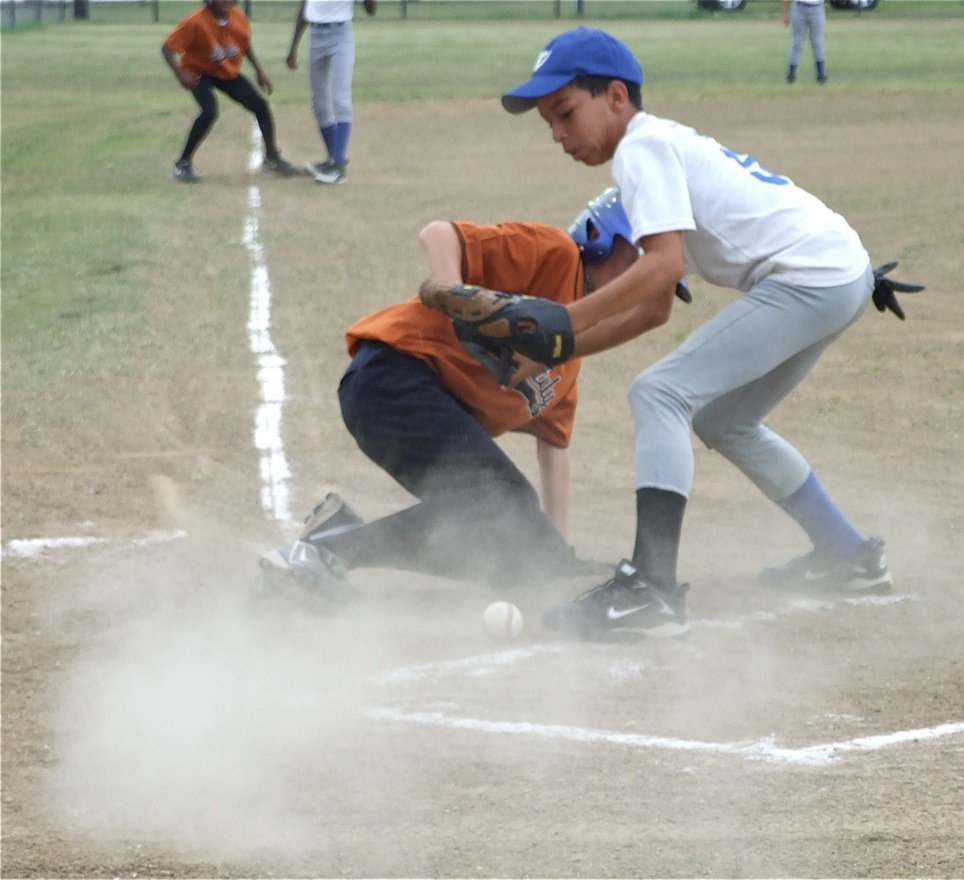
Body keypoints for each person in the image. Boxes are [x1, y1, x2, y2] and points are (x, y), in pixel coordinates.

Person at [431, 26, 906, 639]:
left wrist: (566, 321)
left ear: (618, 98)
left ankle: (651, 588)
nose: (557, 133)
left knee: (659, 392)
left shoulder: (641, 150)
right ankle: (849, 555)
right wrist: (558, 349)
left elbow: (664, 265)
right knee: (721, 420)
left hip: (811, 278)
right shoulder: (659, 147)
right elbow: (656, 306)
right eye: (549, 121)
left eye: (566, 112)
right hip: (836, 272)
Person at [258, 190, 644, 608]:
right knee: (501, 502)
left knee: (518, 548)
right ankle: (325, 553)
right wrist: (461, 305)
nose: (643, 283)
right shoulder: (556, 254)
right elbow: (439, 235)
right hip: (391, 377)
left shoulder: (571, 348)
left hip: (417, 404)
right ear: (602, 237)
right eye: (637, 261)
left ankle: (333, 535)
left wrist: (552, 553)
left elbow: (554, 448)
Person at [162, 0, 300, 182]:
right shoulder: (195, 22)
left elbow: (245, 44)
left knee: (260, 106)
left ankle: (272, 158)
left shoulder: (238, 17)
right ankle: (182, 163)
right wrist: (180, 74)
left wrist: (259, 71)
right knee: (209, 110)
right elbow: (167, 48)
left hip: (225, 71)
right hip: (198, 72)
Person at [286, 0, 376, 185]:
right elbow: (305, 7)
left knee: (340, 99)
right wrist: (293, 48)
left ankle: (338, 168)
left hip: (340, 34)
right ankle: (333, 159)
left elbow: (370, 10)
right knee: (319, 104)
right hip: (316, 34)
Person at [782, 0, 827, 84]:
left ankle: (821, 75)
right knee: (797, 42)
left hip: (817, 7)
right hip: (799, 7)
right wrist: (785, 13)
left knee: (817, 42)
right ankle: (791, 75)